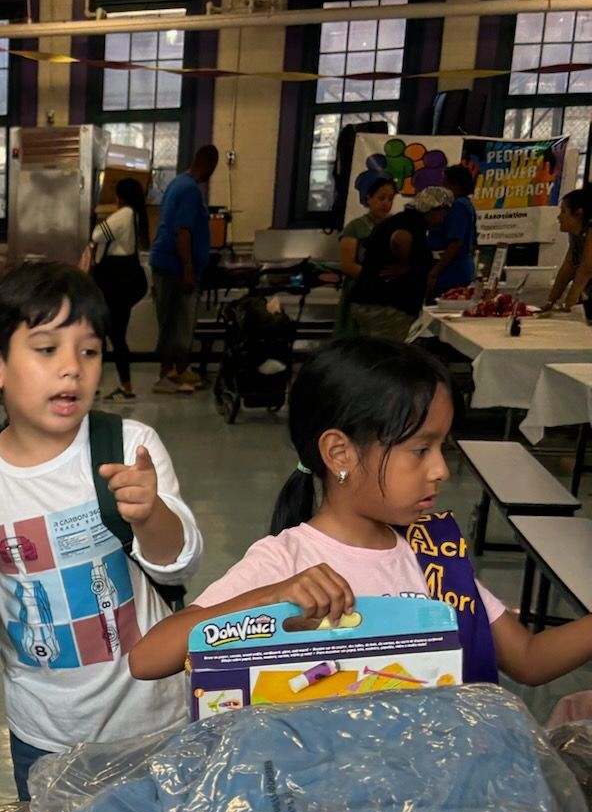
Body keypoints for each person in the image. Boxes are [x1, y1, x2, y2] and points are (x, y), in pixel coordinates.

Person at [129, 335, 592, 691]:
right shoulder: (287, 562)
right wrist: (272, 597)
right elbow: (149, 658)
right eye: (420, 449)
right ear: (340, 454)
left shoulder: (434, 553)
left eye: (442, 447)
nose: (440, 471)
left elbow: (528, 659)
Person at [0, 260, 202, 801]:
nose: (72, 369)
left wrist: (151, 514)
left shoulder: (129, 445)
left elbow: (178, 563)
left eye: (89, 350)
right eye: (45, 348)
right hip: (43, 735)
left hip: (155, 721)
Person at [148, 143, 218, 394]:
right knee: (178, 321)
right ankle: (168, 374)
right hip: (175, 267)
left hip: (168, 264)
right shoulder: (190, 190)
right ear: (209, 165)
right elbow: (183, 233)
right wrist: (188, 270)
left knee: (174, 320)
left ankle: (177, 370)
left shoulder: (178, 183)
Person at [346, 186, 444, 340]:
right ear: (436, 210)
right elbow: (400, 238)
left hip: (365, 299)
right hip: (388, 304)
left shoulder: (392, 221)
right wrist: (405, 265)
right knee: (388, 354)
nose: (443, 220)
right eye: (444, 214)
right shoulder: (414, 223)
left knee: (370, 351)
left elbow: (364, 254)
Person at [89, 176, 151, 398]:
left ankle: (121, 387)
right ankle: (122, 385)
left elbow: (97, 235)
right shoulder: (135, 216)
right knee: (114, 334)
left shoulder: (123, 215)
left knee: (109, 335)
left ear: (122, 196)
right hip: (126, 284)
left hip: (114, 284)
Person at [334, 172, 396, 335]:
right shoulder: (355, 227)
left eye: (390, 199)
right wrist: (375, 278)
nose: (386, 203)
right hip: (360, 290)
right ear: (368, 198)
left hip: (389, 294)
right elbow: (348, 265)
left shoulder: (396, 226)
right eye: (381, 198)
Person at [426, 162, 478, 298]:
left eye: (445, 183)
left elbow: (455, 243)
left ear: (456, 186)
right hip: (458, 269)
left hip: (451, 273)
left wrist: (434, 272)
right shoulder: (466, 204)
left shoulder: (458, 206)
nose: (442, 187)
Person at [545, 185, 592, 314]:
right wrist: (550, 302)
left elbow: (586, 270)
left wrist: (567, 306)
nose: (559, 217)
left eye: (563, 211)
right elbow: (568, 268)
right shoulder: (576, 234)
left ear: (579, 213)